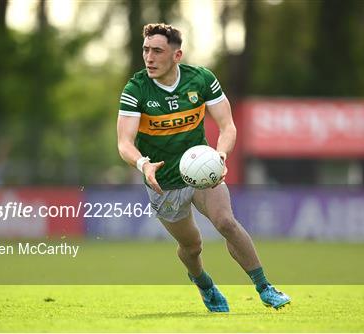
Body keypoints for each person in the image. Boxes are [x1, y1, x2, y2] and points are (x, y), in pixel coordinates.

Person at [116, 23, 290, 312]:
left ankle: (265, 287)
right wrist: (143, 164)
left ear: (177, 55)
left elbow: (227, 126)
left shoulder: (201, 79)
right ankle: (204, 284)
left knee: (226, 223)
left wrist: (220, 155)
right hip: (163, 182)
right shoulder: (136, 89)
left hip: (201, 173)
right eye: (146, 50)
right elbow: (124, 143)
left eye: (157, 51)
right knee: (192, 246)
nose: (149, 57)